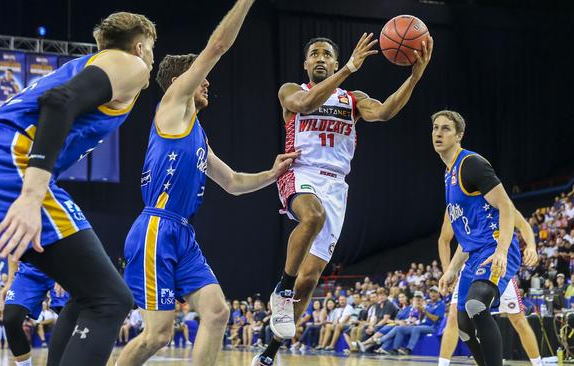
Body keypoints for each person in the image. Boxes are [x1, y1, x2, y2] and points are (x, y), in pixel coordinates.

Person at [0, 11, 157, 366]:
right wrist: (32, 193)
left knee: (90, 295)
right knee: (111, 299)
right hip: (4, 162)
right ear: (141, 46)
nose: (151, 61)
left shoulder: (83, 67)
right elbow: (59, 102)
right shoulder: (131, 64)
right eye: (152, 52)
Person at [117, 1, 296, 365]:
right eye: (201, 77)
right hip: (156, 228)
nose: (209, 81)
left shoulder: (196, 132)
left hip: (182, 233)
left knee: (217, 313)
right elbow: (217, 47)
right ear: (184, 81)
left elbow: (231, 181)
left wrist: (272, 174)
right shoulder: (173, 104)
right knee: (159, 334)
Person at [254, 31, 433, 366]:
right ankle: (282, 289)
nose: (320, 58)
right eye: (315, 54)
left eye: (326, 55)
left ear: (333, 62)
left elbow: (384, 113)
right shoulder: (292, 91)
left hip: (336, 186)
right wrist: (350, 66)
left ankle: (270, 352)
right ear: (306, 64)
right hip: (300, 172)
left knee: (310, 279)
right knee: (312, 216)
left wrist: (414, 77)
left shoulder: (352, 99)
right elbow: (305, 106)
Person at [436, 110, 522, 366]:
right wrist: (451, 269)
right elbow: (467, 234)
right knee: (463, 326)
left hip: (495, 248)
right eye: (435, 128)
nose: (438, 133)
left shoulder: (472, 164)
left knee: (476, 305)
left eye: (445, 129)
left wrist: (502, 251)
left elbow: (506, 207)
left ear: (459, 135)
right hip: (474, 254)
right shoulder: (448, 174)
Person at [438, 179, 544, 366]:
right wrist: (449, 270)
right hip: (472, 264)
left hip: (497, 262)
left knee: (518, 320)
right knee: (457, 318)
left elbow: (522, 223)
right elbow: (448, 241)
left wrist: (532, 246)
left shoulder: (495, 199)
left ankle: (539, 363)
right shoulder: (455, 208)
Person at [1, 255, 68, 364]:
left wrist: (65, 270)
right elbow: (13, 248)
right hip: (29, 272)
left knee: (69, 319)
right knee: (11, 319)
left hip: (59, 268)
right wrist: (10, 280)